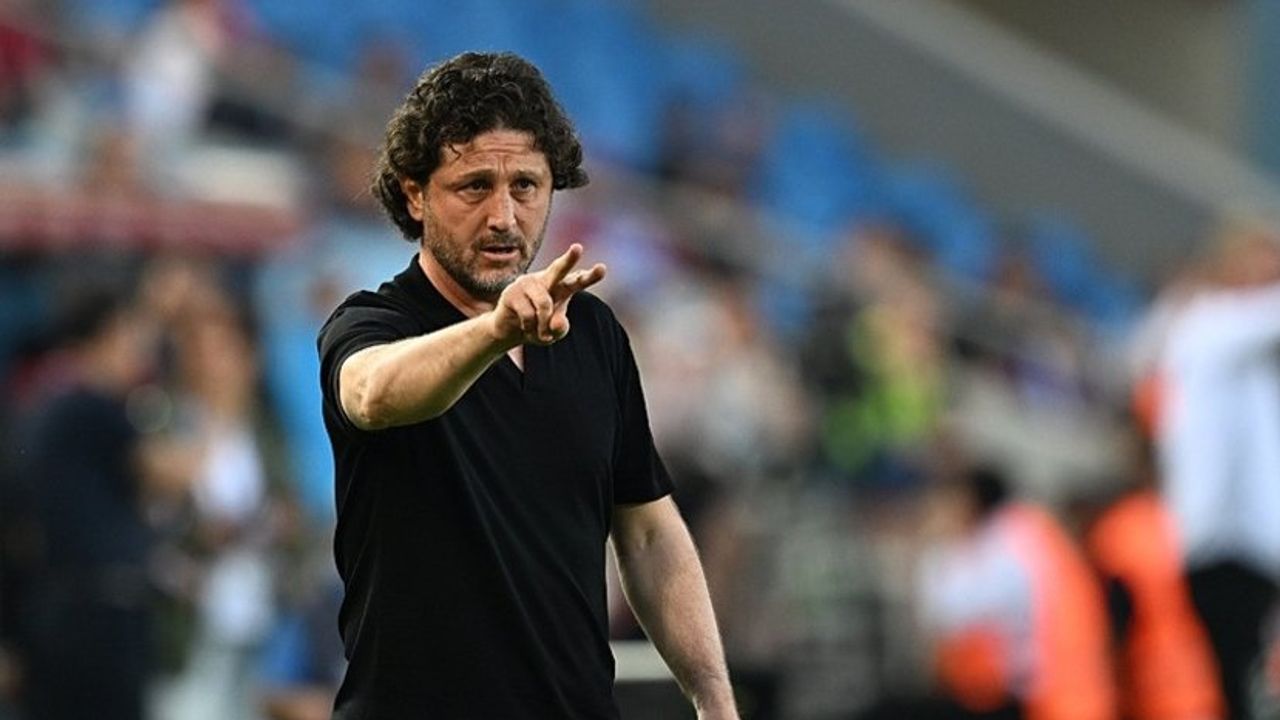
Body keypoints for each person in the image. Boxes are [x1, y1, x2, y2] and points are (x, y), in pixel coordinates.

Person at [317, 51, 738, 719]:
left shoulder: (592, 333)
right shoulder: (372, 323)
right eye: (474, 186)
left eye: (526, 186)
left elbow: (648, 534)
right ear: (414, 194)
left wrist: (714, 700)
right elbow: (372, 394)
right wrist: (495, 331)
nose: (504, 216)